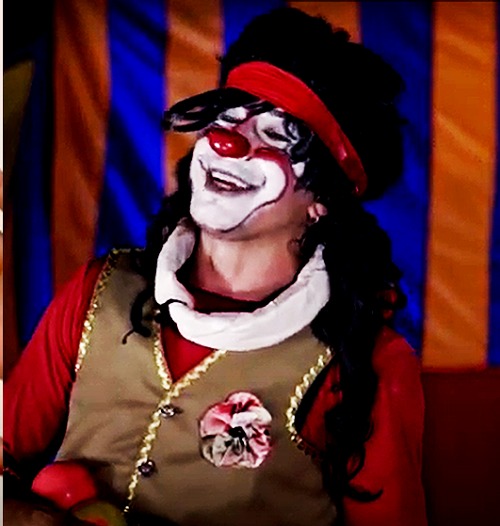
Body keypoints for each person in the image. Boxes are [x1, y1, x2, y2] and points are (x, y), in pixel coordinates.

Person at [4, 8, 427, 526]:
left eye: (276, 136)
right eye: (225, 119)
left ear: (323, 199)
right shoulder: (100, 290)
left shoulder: (365, 360)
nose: (230, 142)